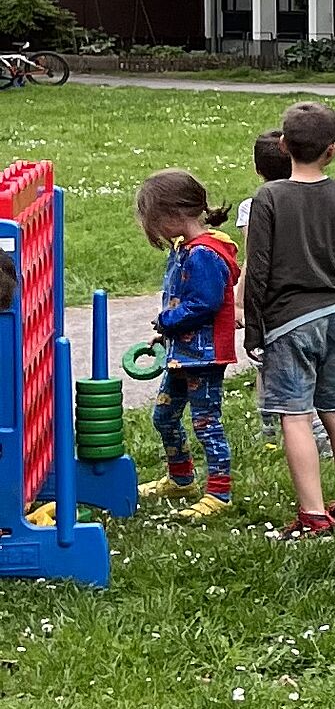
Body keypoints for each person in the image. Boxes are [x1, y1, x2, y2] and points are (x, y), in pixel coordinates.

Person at [241, 98, 335, 540]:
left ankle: (313, 514)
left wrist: (254, 329)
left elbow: (257, 269)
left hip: (287, 322)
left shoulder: (269, 197)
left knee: (295, 416)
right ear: (333, 149)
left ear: (283, 145)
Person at [137, 170, 239, 516]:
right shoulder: (186, 248)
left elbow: (204, 304)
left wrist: (167, 322)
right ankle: (181, 478)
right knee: (164, 416)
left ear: (174, 215)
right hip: (183, 354)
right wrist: (165, 331)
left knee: (206, 422)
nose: (155, 230)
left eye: (154, 222)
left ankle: (219, 494)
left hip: (205, 356)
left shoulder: (204, 254)